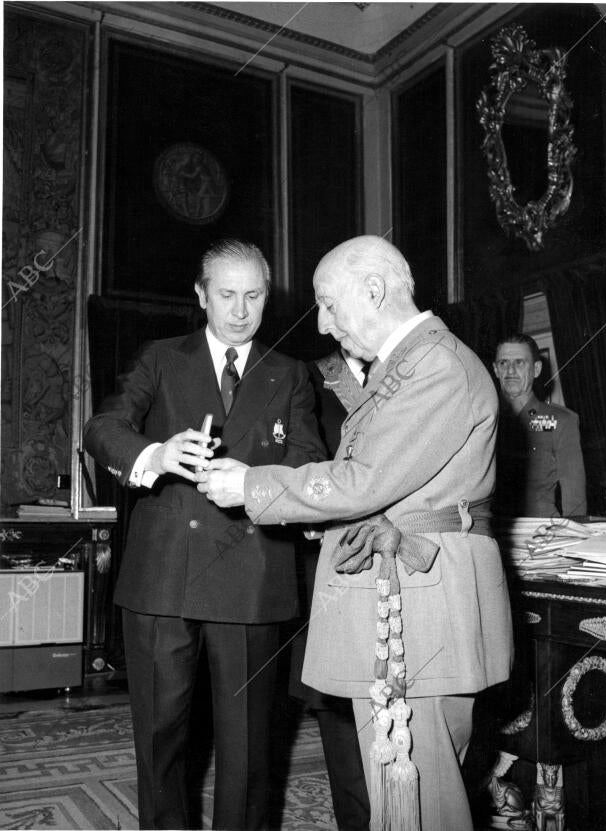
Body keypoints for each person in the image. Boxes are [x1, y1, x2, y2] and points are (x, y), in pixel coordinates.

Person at [197, 235, 514, 831]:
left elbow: (365, 480)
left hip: (422, 609)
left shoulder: (435, 365)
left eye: (329, 303)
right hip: (408, 603)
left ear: (373, 290)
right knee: (404, 793)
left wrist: (255, 487)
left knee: (421, 800)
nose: (322, 323)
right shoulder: (405, 366)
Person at [83, 238, 325, 830]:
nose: (240, 311)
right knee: (161, 743)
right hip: (163, 582)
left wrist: (255, 482)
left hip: (251, 583)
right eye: (225, 295)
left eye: (253, 296)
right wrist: (158, 454)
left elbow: (311, 461)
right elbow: (104, 427)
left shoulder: (291, 374)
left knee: (248, 752)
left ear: (268, 298)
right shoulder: (161, 359)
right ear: (200, 295)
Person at [289, 346, 371, 831]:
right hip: (331, 562)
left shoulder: (416, 368)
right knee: (339, 710)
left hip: (403, 558)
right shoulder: (310, 377)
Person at [493, 334, 587, 517]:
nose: (510, 370)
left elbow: (575, 501)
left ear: (536, 369)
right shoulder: (484, 420)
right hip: (493, 537)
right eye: (503, 363)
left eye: (520, 362)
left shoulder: (559, 421)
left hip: (541, 535)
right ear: (495, 370)